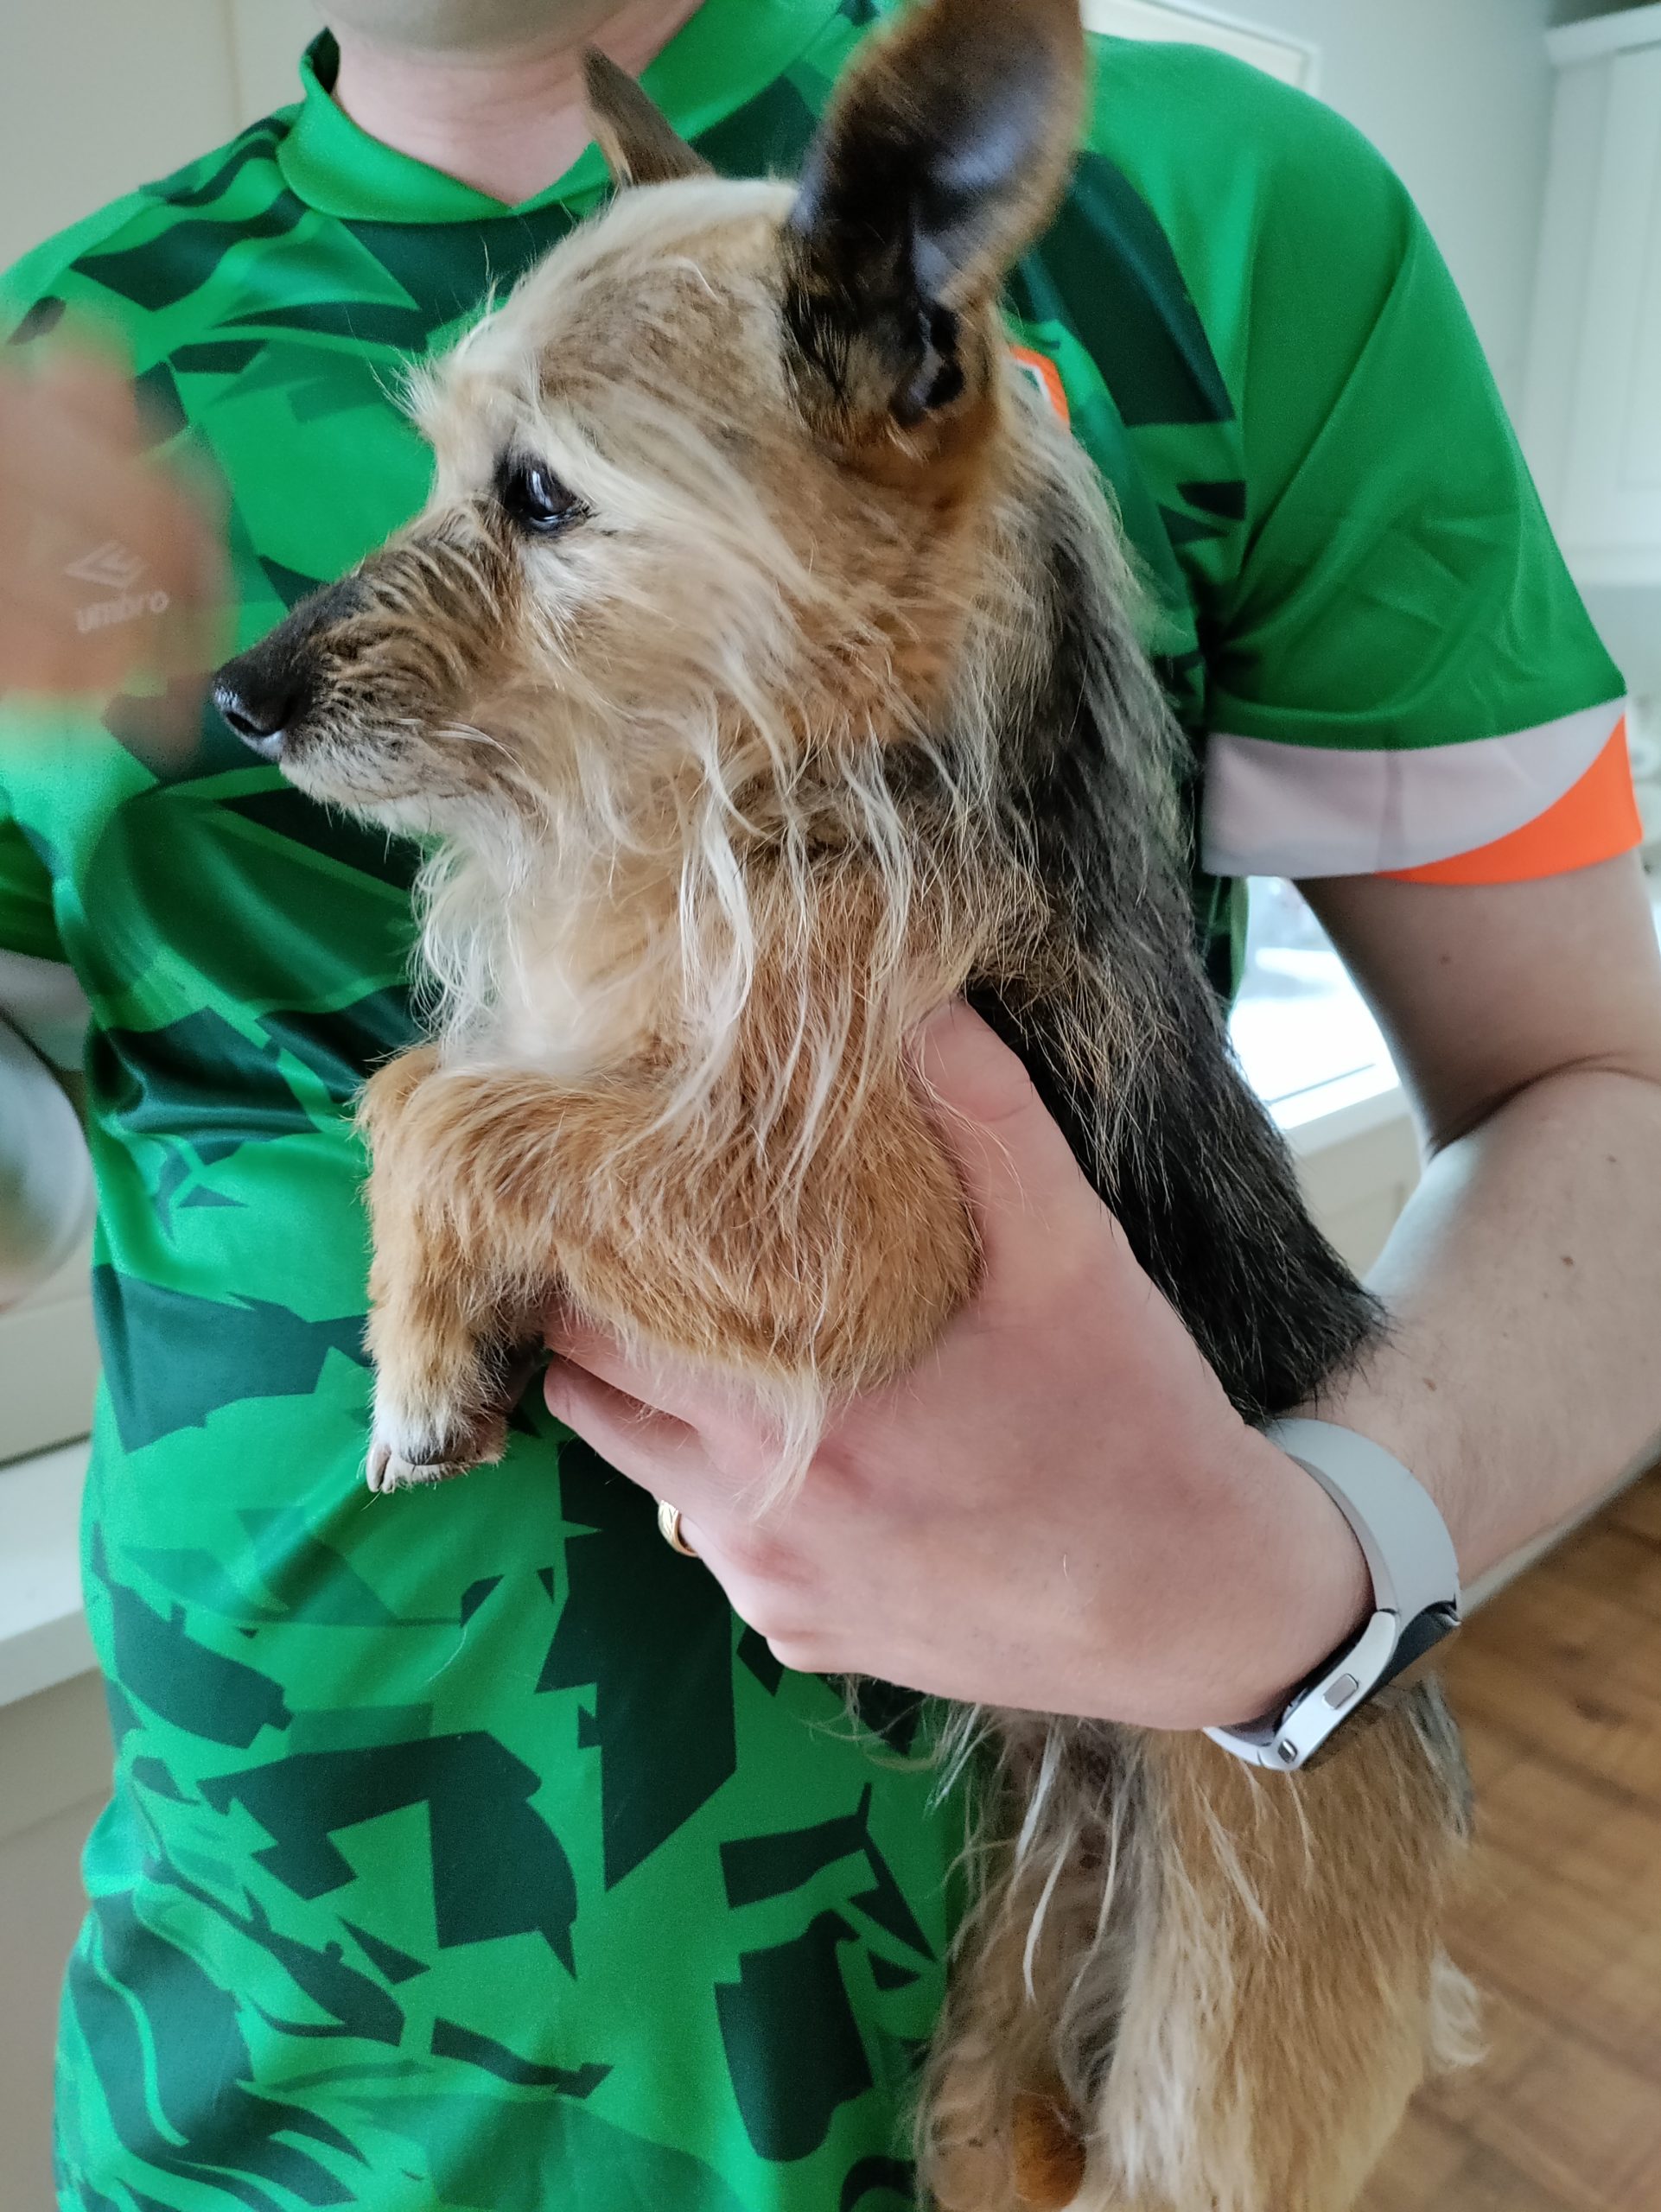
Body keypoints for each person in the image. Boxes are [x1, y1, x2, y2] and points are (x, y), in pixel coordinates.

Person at [3, 3, 1659, 2206]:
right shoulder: (46, 359)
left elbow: (1605, 1085)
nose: (305, 651)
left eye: (532, 501)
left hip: (983, 2037)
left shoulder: (1218, 214)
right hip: (250, 2053)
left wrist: (1312, 1561)